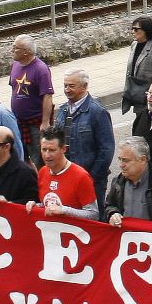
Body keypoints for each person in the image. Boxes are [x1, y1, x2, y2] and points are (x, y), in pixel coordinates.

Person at [49, 69, 115, 208]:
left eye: (71, 86)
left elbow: (106, 150)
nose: (67, 90)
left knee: (93, 220)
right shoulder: (63, 110)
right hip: (67, 178)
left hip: (91, 181)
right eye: (65, 86)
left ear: (84, 86)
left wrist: (91, 177)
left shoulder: (97, 112)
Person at [8, 34, 55, 164]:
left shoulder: (41, 69)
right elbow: (14, 88)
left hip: (35, 124)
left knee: (37, 158)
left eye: (16, 48)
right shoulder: (15, 65)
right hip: (19, 122)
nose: (12, 50)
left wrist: (45, 123)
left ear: (26, 52)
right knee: (21, 156)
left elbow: (47, 96)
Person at [121, 18, 152, 117]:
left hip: (149, 97)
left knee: (148, 128)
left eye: (136, 29)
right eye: (132, 29)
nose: (132, 32)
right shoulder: (134, 45)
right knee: (140, 127)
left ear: (146, 30)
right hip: (136, 96)